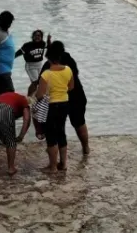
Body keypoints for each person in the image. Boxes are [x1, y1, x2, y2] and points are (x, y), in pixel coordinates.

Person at [40, 41, 90, 156]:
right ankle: (86, 148)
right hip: (78, 95)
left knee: (58, 128)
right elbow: (75, 75)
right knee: (79, 122)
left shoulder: (48, 65)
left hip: (59, 100)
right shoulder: (68, 59)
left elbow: (42, 85)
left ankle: (56, 154)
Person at [39, 43, 75, 172]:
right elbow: (71, 87)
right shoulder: (68, 69)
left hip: (51, 106)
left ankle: (53, 167)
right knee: (61, 132)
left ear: (48, 59)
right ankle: (63, 164)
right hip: (65, 104)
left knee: (51, 135)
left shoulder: (46, 74)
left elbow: (40, 95)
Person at [0, 90, 32, 175]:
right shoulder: (24, 101)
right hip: (4, 110)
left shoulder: (9, 96)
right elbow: (27, 119)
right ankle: (11, 168)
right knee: (11, 141)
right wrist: (21, 136)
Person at [15, 31, 49, 98]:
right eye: (36, 35)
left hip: (39, 65)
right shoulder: (27, 45)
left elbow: (50, 47)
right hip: (30, 66)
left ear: (41, 37)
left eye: (39, 36)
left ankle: (37, 96)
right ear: (33, 36)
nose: (37, 37)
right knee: (35, 82)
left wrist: (49, 40)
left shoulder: (43, 43)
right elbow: (17, 53)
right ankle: (29, 97)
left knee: (42, 81)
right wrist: (8, 59)